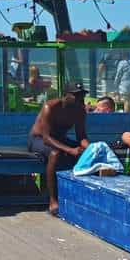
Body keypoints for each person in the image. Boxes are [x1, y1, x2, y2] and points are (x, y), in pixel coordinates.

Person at [29, 82, 89, 216]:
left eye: (82, 95)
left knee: (85, 153)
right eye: (76, 95)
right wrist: (70, 150)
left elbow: (81, 136)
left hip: (59, 140)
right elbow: (46, 138)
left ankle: (79, 196)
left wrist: (89, 148)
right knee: (55, 154)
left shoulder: (80, 110)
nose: (80, 99)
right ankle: (53, 201)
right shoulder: (50, 107)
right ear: (65, 95)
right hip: (38, 140)